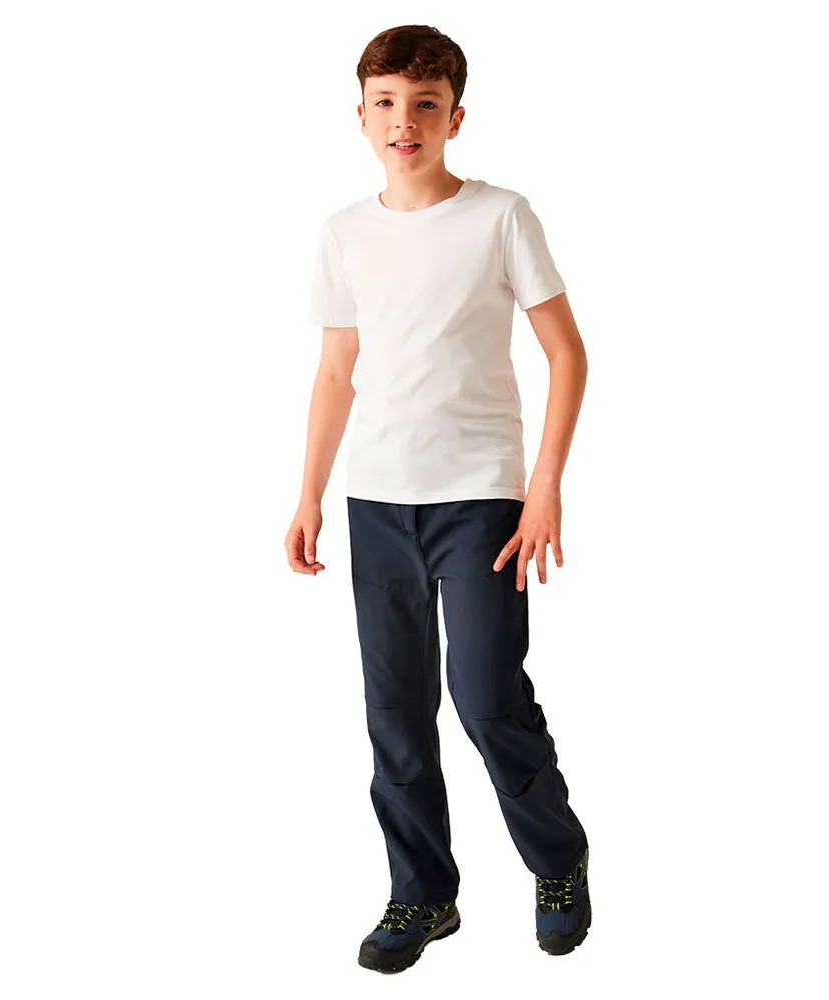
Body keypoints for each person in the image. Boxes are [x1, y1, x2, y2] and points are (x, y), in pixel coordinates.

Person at [285, 24, 591, 975]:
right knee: (396, 711)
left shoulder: (501, 217)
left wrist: (544, 489)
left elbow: (567, 354)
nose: (403, 121)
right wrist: (308, 495)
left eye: (425, 104)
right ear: (361, 116)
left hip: (482, 500)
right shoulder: (344, 233)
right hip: (377, 501)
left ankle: (559, 863)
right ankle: (423, 893)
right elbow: (336, 370)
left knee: (488, 697)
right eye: (385, 103)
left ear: (455, 117)